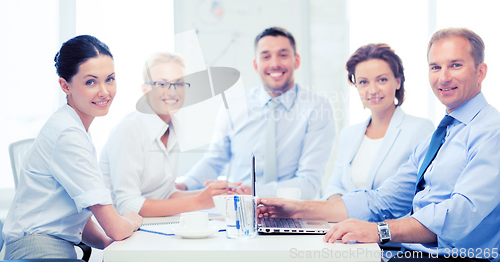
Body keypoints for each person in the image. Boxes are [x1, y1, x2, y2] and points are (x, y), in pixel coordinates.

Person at [258, 28, 500, 261]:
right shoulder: (440, 135)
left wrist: (380, 231)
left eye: (456, 65)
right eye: (435, 67)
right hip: (409, 252)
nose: (443, 77)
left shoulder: (491, 131)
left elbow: (461, 214)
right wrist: (298, 209)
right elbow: (384, 200)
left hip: (458, 257)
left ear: (481, 72)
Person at [2, 35, 142, 260]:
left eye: (110, 79)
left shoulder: (71, 127)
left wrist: (109, 242)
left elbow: (72, 217)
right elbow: (116, 227)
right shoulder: (68, 134)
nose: (104, 91)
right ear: (65, 85)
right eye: (90, 82)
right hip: (38, 252)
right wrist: (130, 221)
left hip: (48, 249)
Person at [176, 27, 336, 199]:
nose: (275, 63)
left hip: (295, 212)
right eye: (266, 56)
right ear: (256, 64)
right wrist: (184, 185)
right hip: (240, 210)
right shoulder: (233, 105)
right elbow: (214, 160)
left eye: (283, 55)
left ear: (296, 61)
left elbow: (308, 184)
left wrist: (246, 190)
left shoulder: (317, 108)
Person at [99, 52, 230, 217]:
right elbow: (128, 204)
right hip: (118, 235)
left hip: (150, 228)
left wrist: (214, 194)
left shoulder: (173, 128)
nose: (172, 91)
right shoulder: (131, 129)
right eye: (162, 84)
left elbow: (166, 195)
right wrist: (199, 201)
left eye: (179, 83)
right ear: (146, 90)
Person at [325, 44, 434, 200]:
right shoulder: (349, 134)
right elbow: (334, 187)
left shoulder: (419, 129)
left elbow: (425, 191)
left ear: (397, 81)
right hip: (346, 222)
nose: (373, 90)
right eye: (363, 82)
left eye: (382, 80)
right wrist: (342, 214)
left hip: (391, 223)